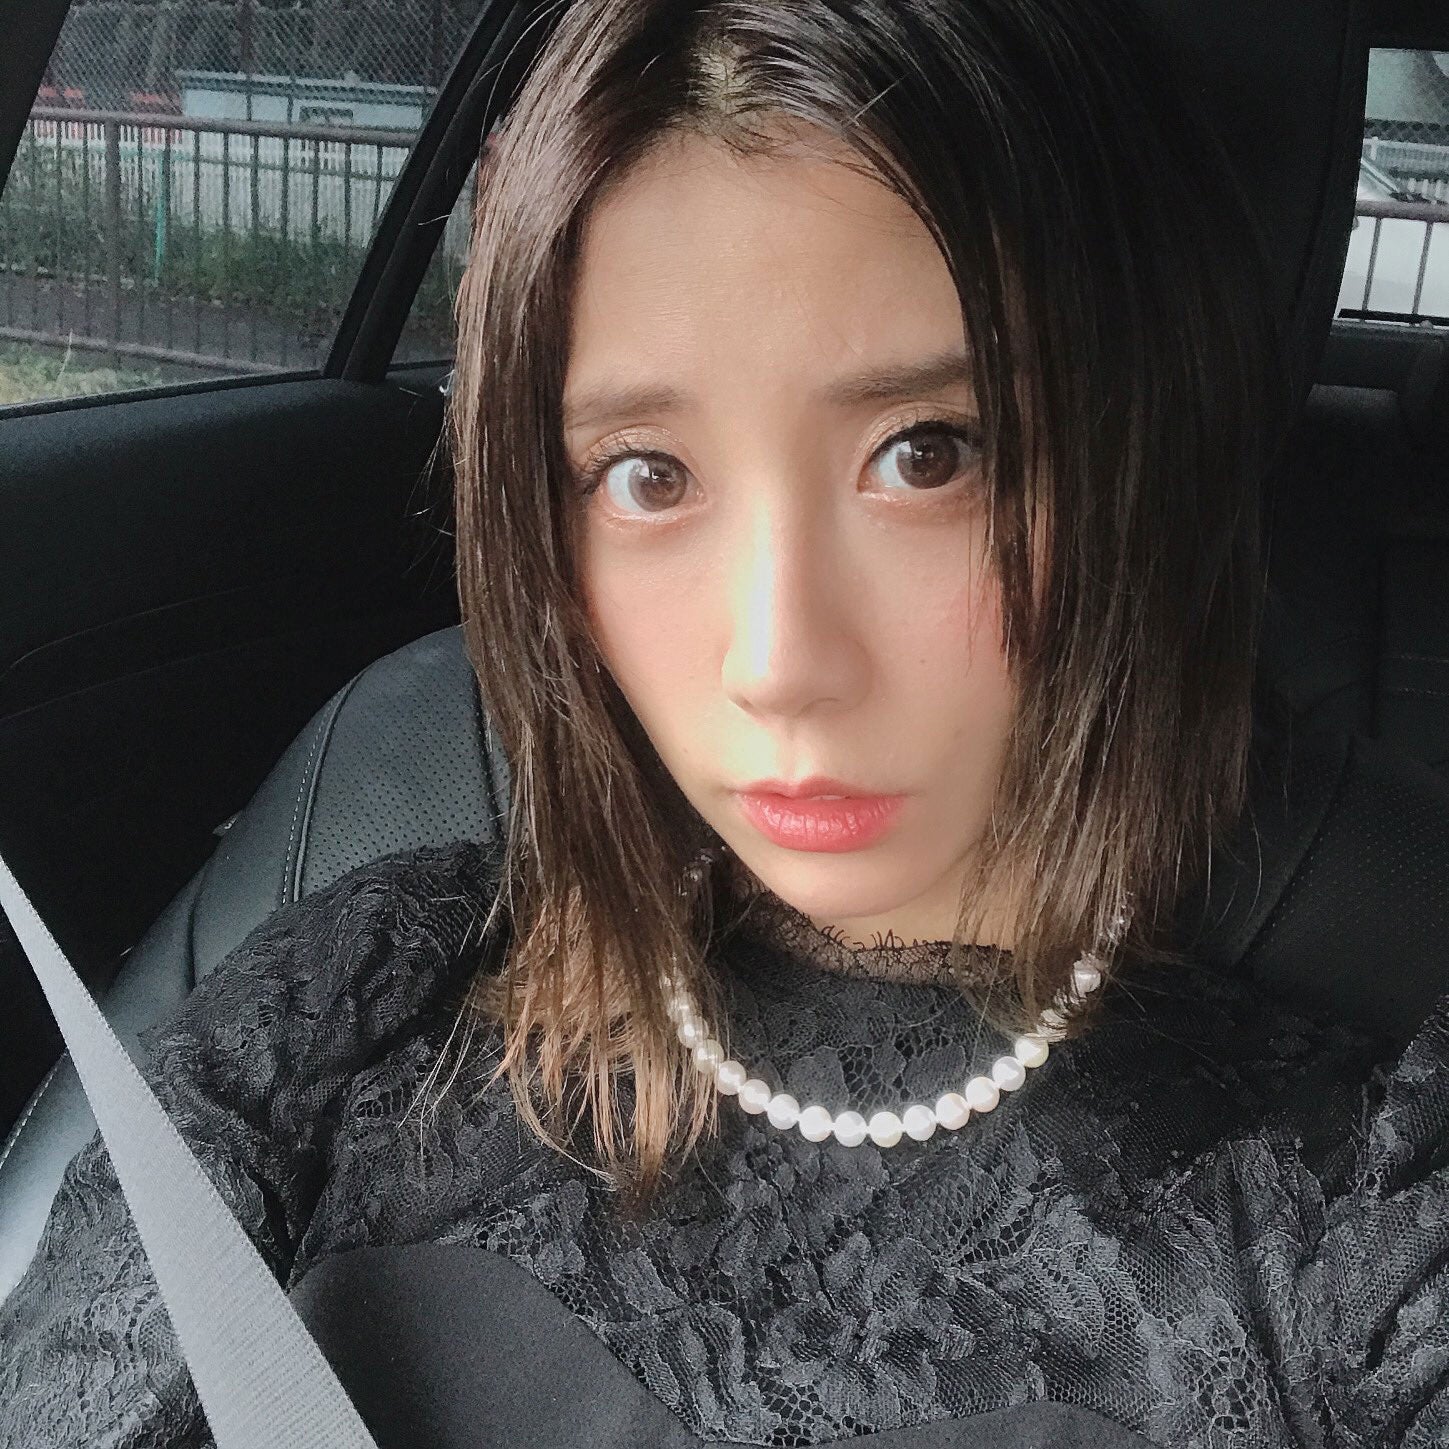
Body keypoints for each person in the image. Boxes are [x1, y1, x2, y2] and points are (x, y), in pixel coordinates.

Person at [2, 0, 1446, 1445]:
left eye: (927, 454)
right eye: (646, 476)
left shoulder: (1347, 1218)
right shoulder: (356, 1003)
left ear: (1129, 458)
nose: (778, 662)